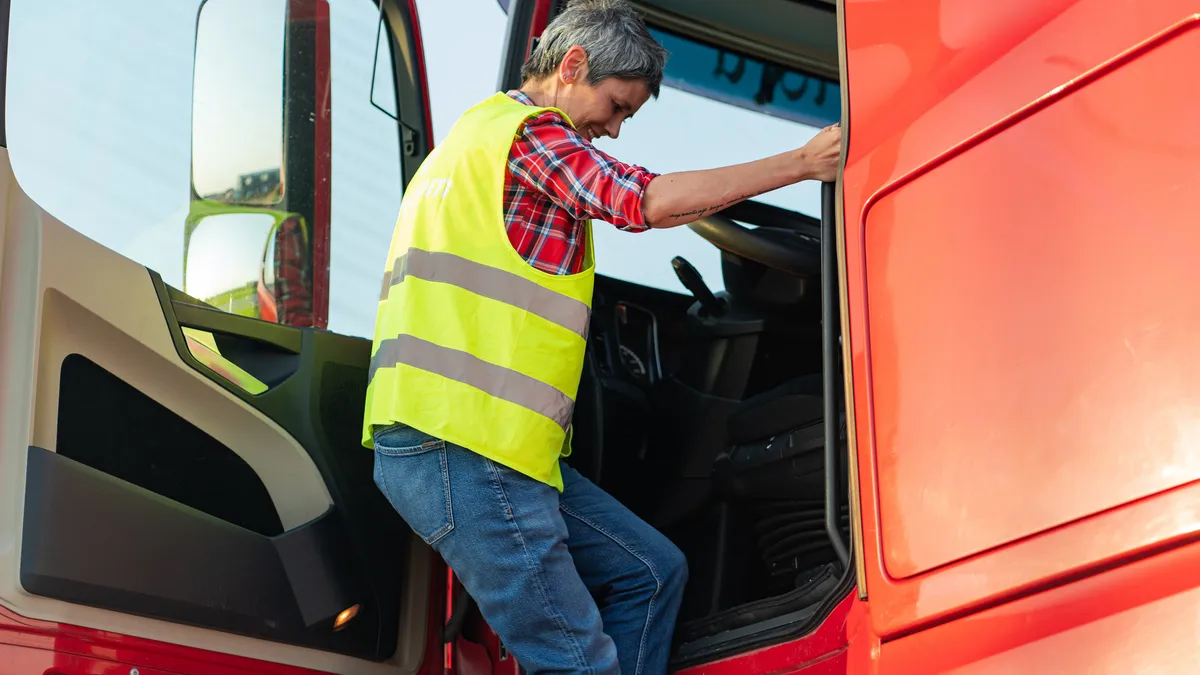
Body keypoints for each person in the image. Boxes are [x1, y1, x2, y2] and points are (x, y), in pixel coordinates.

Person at [361, 1, 842, 673]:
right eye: (617, 106)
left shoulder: (475, 136)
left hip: (481, 450)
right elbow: (642, 200)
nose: (614, 130)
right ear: (574, 66)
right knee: (577, 664)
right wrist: (800, 162)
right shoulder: (532, 136)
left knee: (651, 573)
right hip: (465, 453)